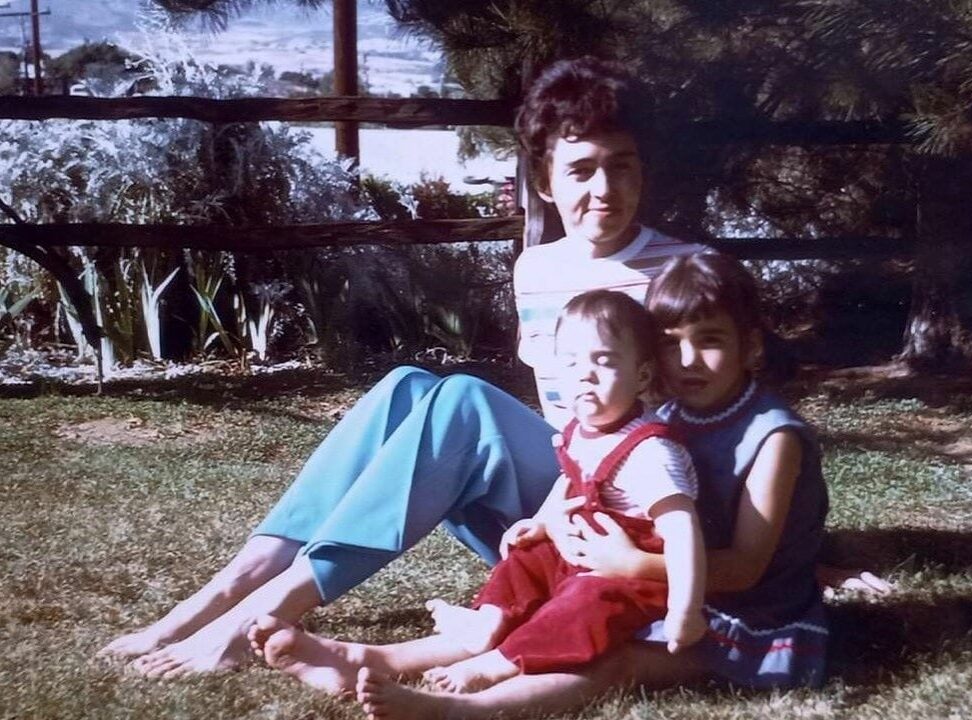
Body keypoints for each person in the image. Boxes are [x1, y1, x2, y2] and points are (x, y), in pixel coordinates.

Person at [98, 56, 885, 680]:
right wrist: (547, 511)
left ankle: (258, 618)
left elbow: (735, 430)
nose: (603, 189)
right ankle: (222, 592)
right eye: (580, 170)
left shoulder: (684, 271)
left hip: (648, 520)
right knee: (408, 388)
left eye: (622, 166)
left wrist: (799, 554)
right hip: (558, 508)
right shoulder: (534, 269)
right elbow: (559, 417)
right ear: (544, 179)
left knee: (463, 404)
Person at [353, 249, 831, 718]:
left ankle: (463, 709)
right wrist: (551, 524)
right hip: (665, 583)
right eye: (669, 342)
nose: (687, 360)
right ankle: (379, 659)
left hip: (744, 613)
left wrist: (631, 563)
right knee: (548, 600)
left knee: (608, 655)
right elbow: (586, 477)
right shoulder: (665, 416)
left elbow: (745, 570)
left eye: (710, 340)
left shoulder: (772, 438)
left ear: (750, 346)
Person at [245, 290, 708, 693]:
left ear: (643, 377)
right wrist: (542, 521)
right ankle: (481, 628)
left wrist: (685, 611)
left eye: (603, 362)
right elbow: (569, 479)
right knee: (523, 562)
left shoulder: (651, 452)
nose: (585, 375)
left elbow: (684, 534)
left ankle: (495, 664)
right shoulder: (581, 430)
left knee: (584, 605)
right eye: (571, 362)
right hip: (581, 551)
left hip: (631, 577)